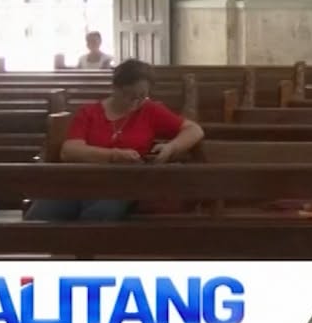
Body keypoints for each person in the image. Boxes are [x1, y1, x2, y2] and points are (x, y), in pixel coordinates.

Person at [32, 59, 203, 222]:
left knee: (100, 213)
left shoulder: (150, 110)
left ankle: (81, 251)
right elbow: (69, 151)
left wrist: (171, 148)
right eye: (129, 95)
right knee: (42, 213)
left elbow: (194, 130)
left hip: (124, 183)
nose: (135, 102)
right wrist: (113, 155)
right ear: (115, 87)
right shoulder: (89, 112)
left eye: (142, 96)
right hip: (81, 180)